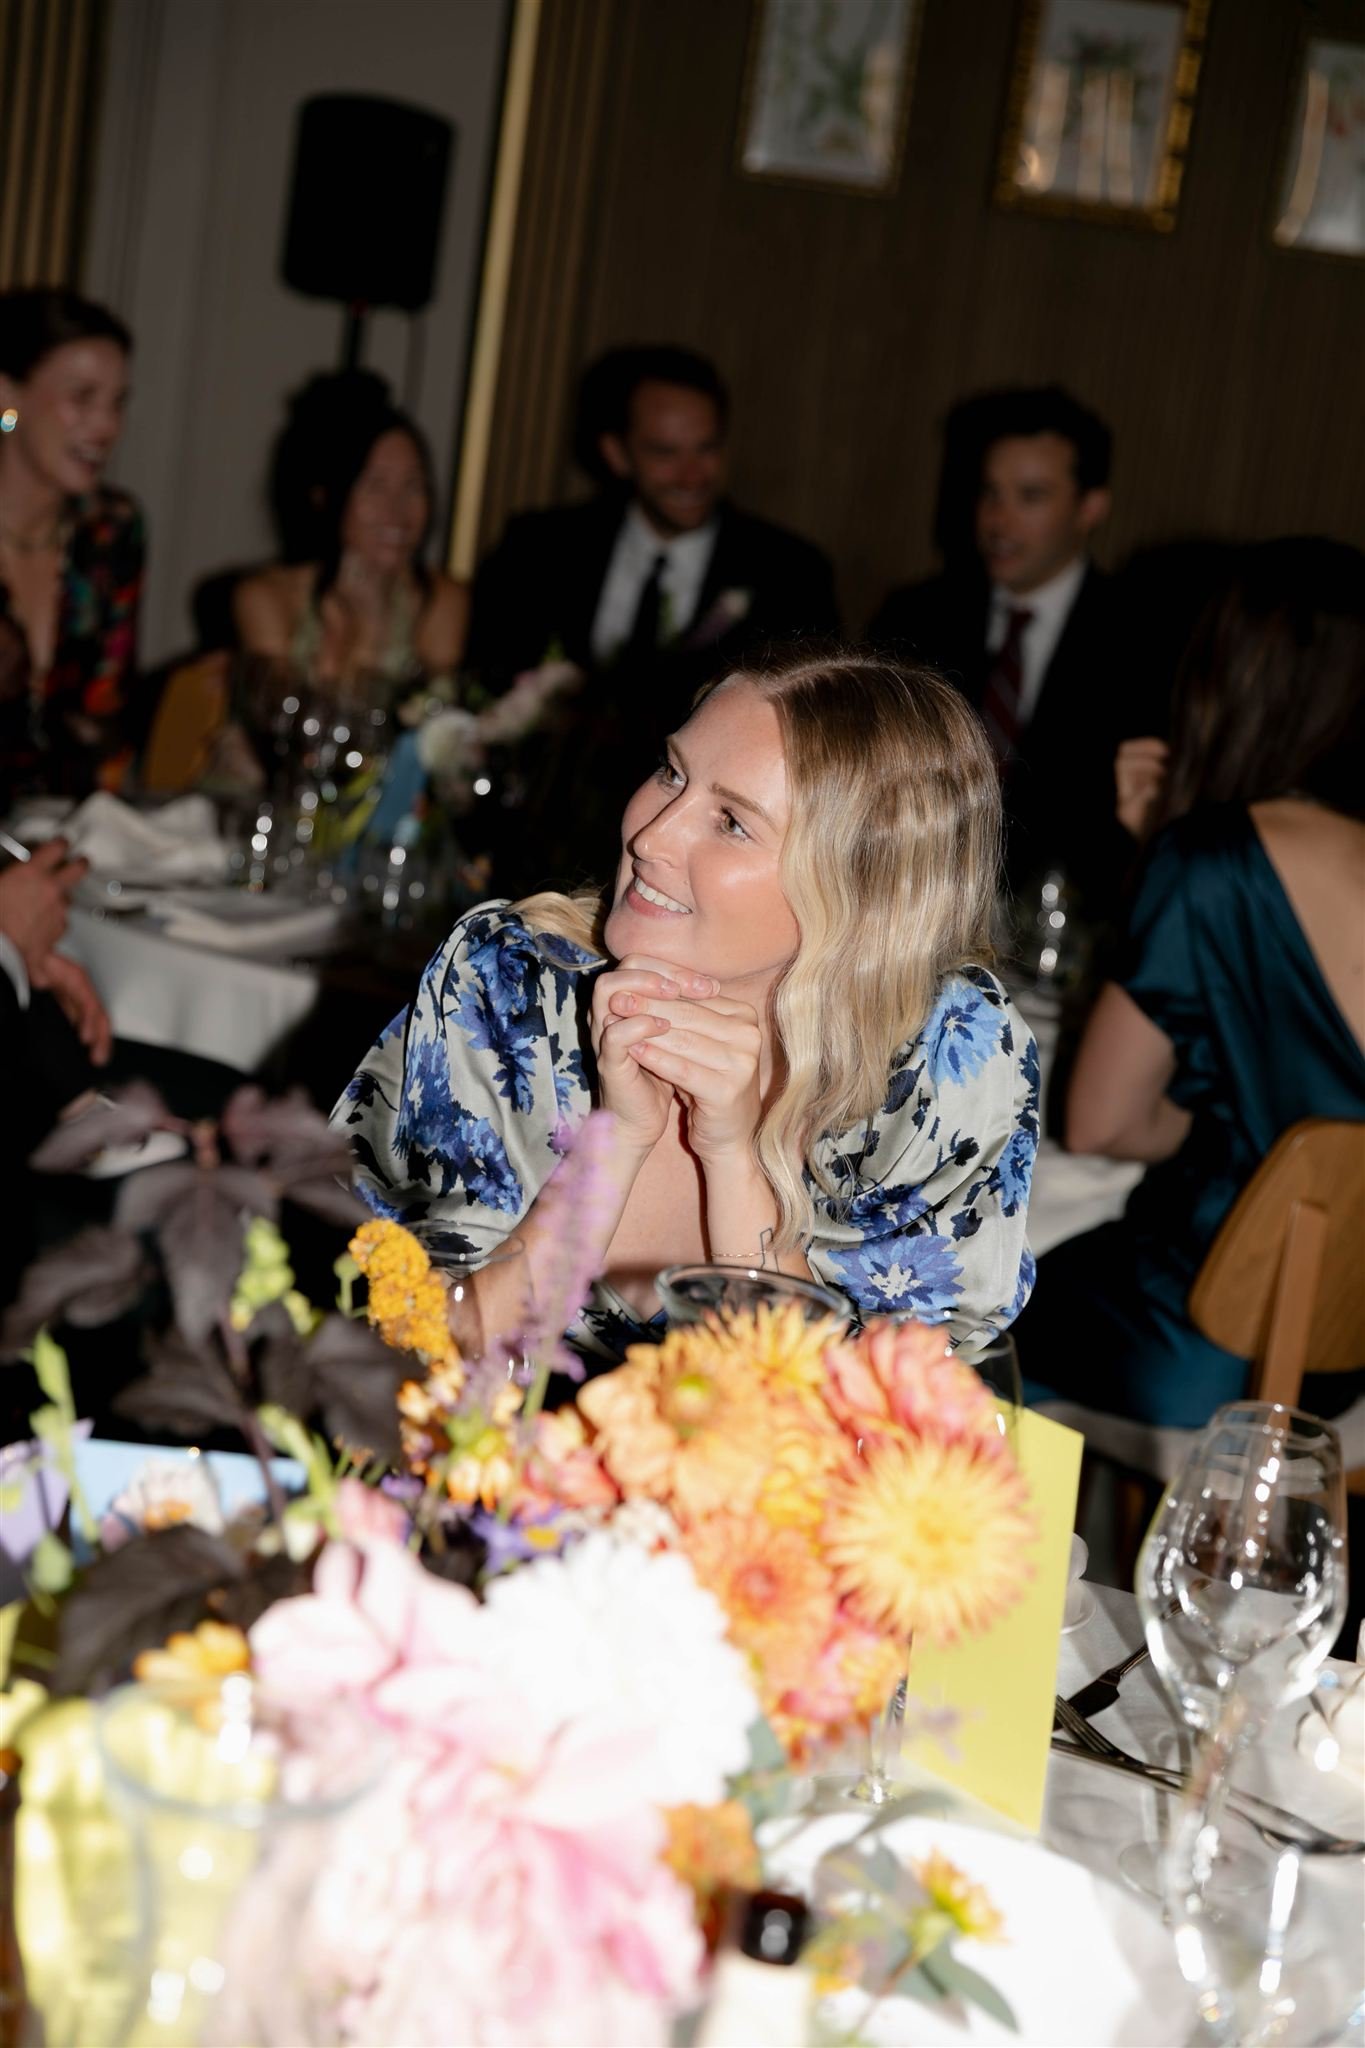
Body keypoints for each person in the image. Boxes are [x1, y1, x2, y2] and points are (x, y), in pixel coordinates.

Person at [333, 649, 1038, 1363]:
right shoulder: (511, 985)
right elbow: (393, 1361)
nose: (650, 836)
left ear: (863, 892)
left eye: (731, 822)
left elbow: (880, 1419)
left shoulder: (942, 1066)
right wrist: (612, 1147)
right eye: (672, 772)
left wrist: (734, 1164)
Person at [1014, 537, 1365, 1427]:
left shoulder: (1213, 859)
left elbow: (1101, 1123)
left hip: (1208, 1327)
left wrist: (1156, 859)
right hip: (1343, 1339)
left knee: (966, 1319)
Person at [464, 347, 840, 888]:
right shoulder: (539, 549)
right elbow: (486, 690)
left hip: (697, 866)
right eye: (665, 452)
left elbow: (811, 741)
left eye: (707, 449)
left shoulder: (790, 573)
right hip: (530, 851)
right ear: (617, 454)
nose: (693, 475)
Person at [868, 386, 1143, 907]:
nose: (998, 521)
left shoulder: (1142, 639)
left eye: (1030, 497)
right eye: (990, 493)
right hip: (907, 900)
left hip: (1066, 921)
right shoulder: (915, 617)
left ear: (1091, 507)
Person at [234, 373, 468, 694]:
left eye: (413, 485)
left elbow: (437, 717)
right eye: (375, 486)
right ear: (327, 497)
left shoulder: (441, 600)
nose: (398, 510)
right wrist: (365, 634)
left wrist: (373, 619)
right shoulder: (269, 598)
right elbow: (287, 719)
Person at [0, 288, 142, 798]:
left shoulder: (110, 531)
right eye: (82, 397)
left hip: (60, 829)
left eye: (117, 403)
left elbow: (105, 723)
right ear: (7, 396)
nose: (107, 426)